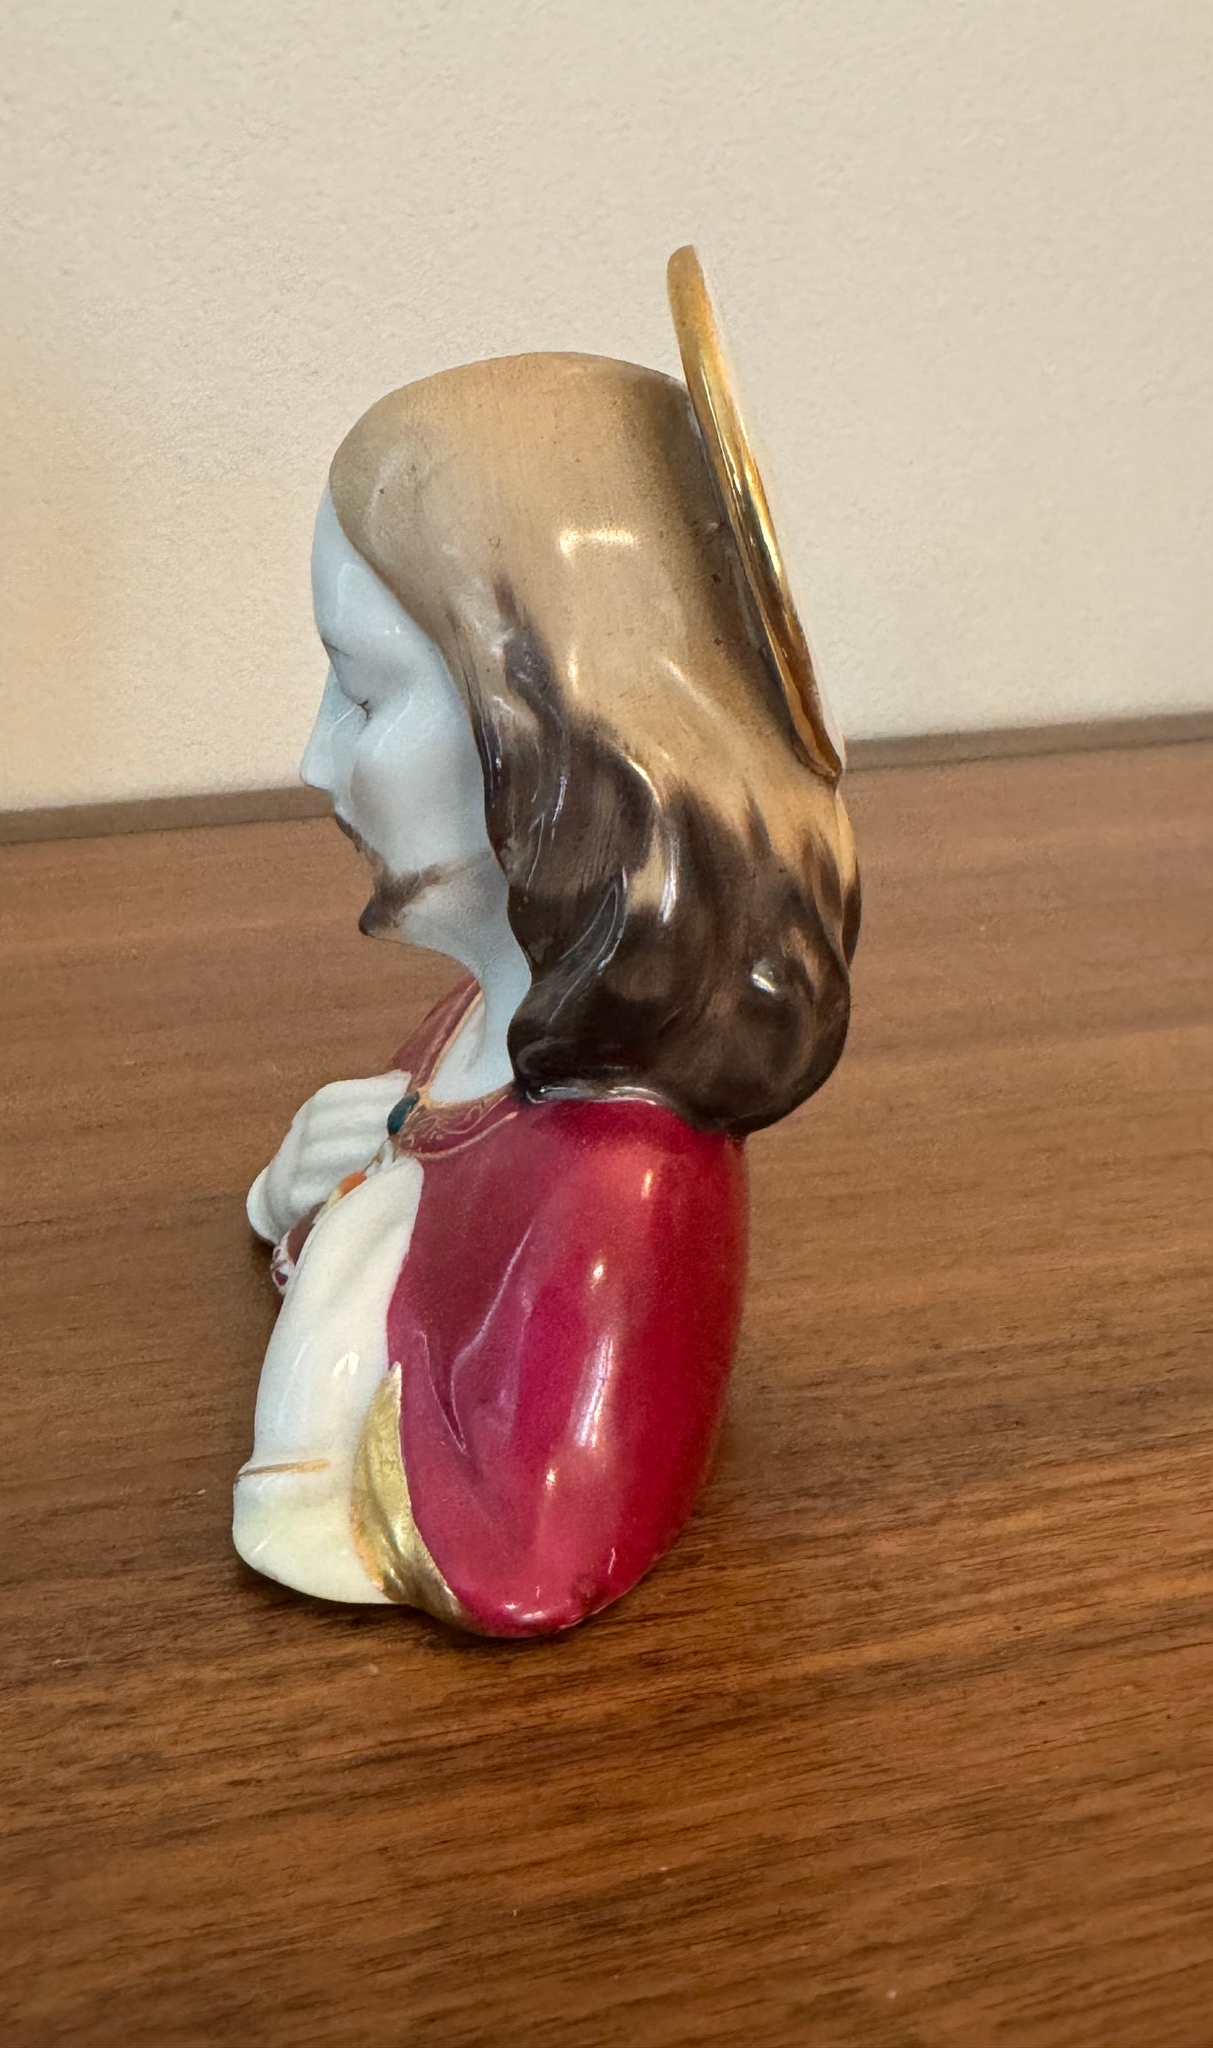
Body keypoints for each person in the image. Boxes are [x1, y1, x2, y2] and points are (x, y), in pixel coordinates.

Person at [233, 251, 860, 1636]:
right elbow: (389, 1179)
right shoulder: (484, 1026)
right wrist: (307, 1194)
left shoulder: (618, 1191)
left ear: (557, 744)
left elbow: (532, 1551)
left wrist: (332, 1355)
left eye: (362, 695)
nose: (315, 760)